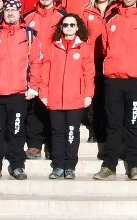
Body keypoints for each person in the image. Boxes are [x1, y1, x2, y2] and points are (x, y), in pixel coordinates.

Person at [94, 0, 137, 180]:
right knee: (113, 124)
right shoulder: (110, 19)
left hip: (135, 81)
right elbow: (104, 47)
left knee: (134, 124)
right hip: (113, 81)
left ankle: (134, 165)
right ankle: (109, 165)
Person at [33, 13, 97, 179]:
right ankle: (58, 165)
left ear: (77, 28)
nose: (68, 27)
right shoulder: (52, 47)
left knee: (71, 133)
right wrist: (44, 92)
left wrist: (88, 94)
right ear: (61, 27)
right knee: (56, 132)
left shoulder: (84, 48)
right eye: (65, 24)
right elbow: (45, 72)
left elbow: (89, 73)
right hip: (54, 99)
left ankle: (70, 166)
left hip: (75, 99)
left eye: (72, 25)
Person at [0, 0, 34, 181]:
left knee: (17, 131)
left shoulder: (29, 34)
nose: (10, 13)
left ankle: (17, 165)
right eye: (7, 10)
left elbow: (36, 62)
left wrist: (33, 87)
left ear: (20, 13)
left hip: (18, 93)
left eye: (14, 10)